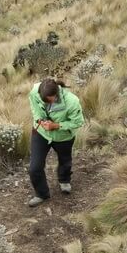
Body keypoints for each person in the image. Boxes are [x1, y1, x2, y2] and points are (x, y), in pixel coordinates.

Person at [26, 77, 84, 207]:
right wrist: (41, 121)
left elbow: (78, 122)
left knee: (65, 160)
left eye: (50, 101)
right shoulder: (35, 92)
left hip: (63, 136)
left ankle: (64, 180)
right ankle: (42, 194)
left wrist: (56, 126)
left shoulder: (72, 101)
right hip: (41, 133)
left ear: (56, 93)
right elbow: (35, 110)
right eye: (44, 101)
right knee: (34, 167)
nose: (47, 104)